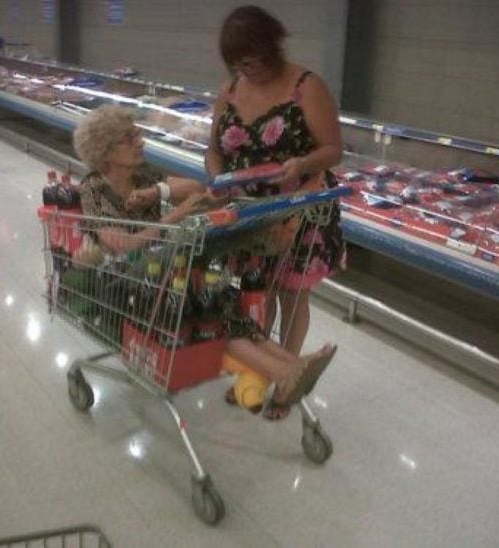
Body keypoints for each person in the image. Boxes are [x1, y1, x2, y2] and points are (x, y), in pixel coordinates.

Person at [74, 105, 336, 413]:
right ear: (105, 151)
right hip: (126, 284)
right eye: (128, 138)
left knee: (219, 298)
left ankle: (294, 364)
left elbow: (196, 187)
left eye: (137, 133)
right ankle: (283, 372)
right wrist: (177, 214)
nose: (140, 140)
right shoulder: (93, 187)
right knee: (203, 310)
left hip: (163, 272)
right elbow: (122, 245)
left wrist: (158, 192)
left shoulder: (142, 177)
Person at [206, 5, 345, 420]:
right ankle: (257, 372)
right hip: (250, 211)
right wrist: (217, 181)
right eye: (240, 62)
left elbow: (333, 150)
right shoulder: (230, 89)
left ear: (274, 48)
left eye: (256, 60)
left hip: (302, 205)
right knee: (255, 294)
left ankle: (289, 378)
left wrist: (300, 165)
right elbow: (213, 149)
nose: (249, 69)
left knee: (292, 293)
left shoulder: (306, 86)